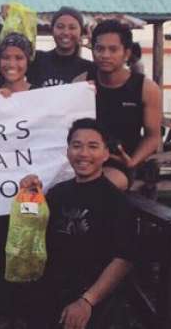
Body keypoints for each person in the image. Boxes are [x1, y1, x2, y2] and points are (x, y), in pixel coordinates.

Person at [20, 118, 136, 329]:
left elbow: (124, 259)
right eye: (76, 146)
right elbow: (31, 232)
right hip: (51, 294)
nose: (83, 153)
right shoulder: (57, 193)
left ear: (105, 154)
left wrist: (87, 301)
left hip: (95, 302)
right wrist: (29, 197)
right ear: (68, 152)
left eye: (93, 146)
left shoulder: (116, 201)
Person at [88, 19, 162, 191]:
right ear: (93, 52)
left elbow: (153, 136)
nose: (105, 55)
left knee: (98, 188)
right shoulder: (83, 83)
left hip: (118, 165)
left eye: (113, 49)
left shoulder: (146, 88)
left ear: (126, 53)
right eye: (99, 49)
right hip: (82, 160)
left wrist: (133, 161)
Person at [26, 6, 94, 89]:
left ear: (81, 32)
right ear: (52, 29)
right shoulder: (36, 60)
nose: (66, 32)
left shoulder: (88, 69)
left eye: (72, 28)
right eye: (60, 27)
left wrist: (95, 48)